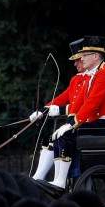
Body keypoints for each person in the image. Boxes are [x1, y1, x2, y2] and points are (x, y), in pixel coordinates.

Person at [46, 35, 105, 188]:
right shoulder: (93, 74)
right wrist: (45, 110)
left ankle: (61, 181)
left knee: (66, 134)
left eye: (84, 55)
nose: (81, 58)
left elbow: (92, 103)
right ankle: (60, 179)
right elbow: (79, 103)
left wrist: (72, 123)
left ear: (95, 56)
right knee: (60, 134)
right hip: (99, 122)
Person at [31, 38, 87, 182]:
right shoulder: (76, 79)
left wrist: (61, 110)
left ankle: (59, 181)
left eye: (78, 60)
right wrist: (42, 111)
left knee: (60, 136)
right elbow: (62, 98)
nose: (75, 64)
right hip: (76, 123)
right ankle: (38, 177)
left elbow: (84, 106)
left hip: (85, 123)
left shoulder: (93, 79)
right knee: (48, 136)